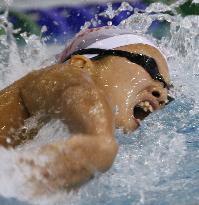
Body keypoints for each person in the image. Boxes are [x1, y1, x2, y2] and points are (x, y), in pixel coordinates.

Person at [0, 26, 172, 194]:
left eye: (167, 90)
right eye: (151, 68)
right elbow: (69, 83)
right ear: (81, 64)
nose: (162, 94)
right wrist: (98, 142)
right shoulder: (54, 77)